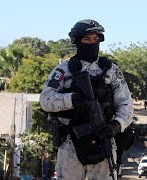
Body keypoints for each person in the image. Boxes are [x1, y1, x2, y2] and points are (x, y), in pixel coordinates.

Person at [40, 19, 133, 180]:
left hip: (103, 140)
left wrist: (116, 125)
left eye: (95, 39)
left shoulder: (110, 70)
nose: (92, 43)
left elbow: (126, 105)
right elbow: (46, 100)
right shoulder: (64, 70)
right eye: (87, 39)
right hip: (71, 143)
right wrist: (72, 99)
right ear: (77, 41)